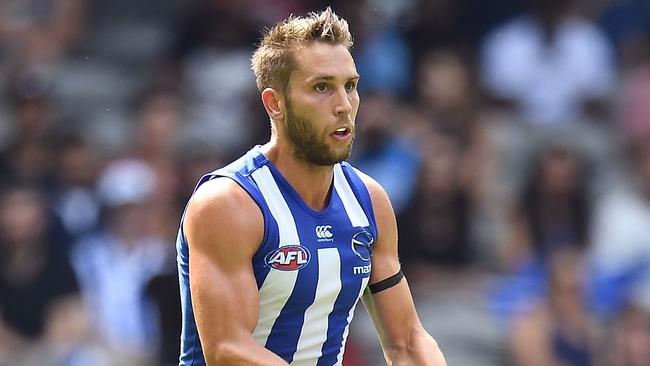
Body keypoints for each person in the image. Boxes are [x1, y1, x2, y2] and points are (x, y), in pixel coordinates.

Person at [176, 7, 447, 366]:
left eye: (350, 86)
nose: (343, 105)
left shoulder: (369, 201)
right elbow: (227, 350)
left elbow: (408, 342)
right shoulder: (228, 203)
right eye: (322, 87)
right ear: (275, 103)